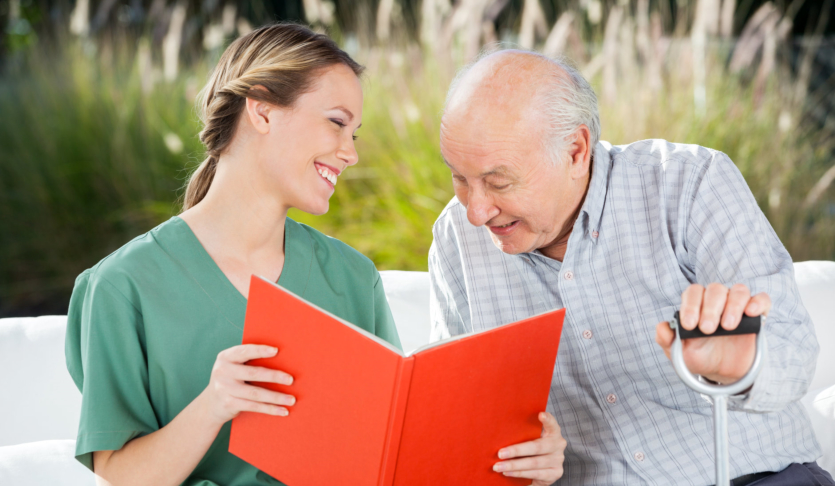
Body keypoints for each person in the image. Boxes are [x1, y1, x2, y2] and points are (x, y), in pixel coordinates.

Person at [429, 49, 835, 485]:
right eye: (459, 177)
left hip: (758, 477)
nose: (475, 211)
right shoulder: (456, 239)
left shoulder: (691, 184)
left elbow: (792, 354)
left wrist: (742, 366)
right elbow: (456, 414)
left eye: (498, 181)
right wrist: (517, 459)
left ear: (575, 151)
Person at [65, 23, 401, 486]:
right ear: (262, 111)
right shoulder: (123, 287)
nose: (350, 153)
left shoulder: (353, 279)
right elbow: (120, 477)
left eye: (355, 134)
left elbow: (391, 453)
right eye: (337, 123)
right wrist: (213, 404)